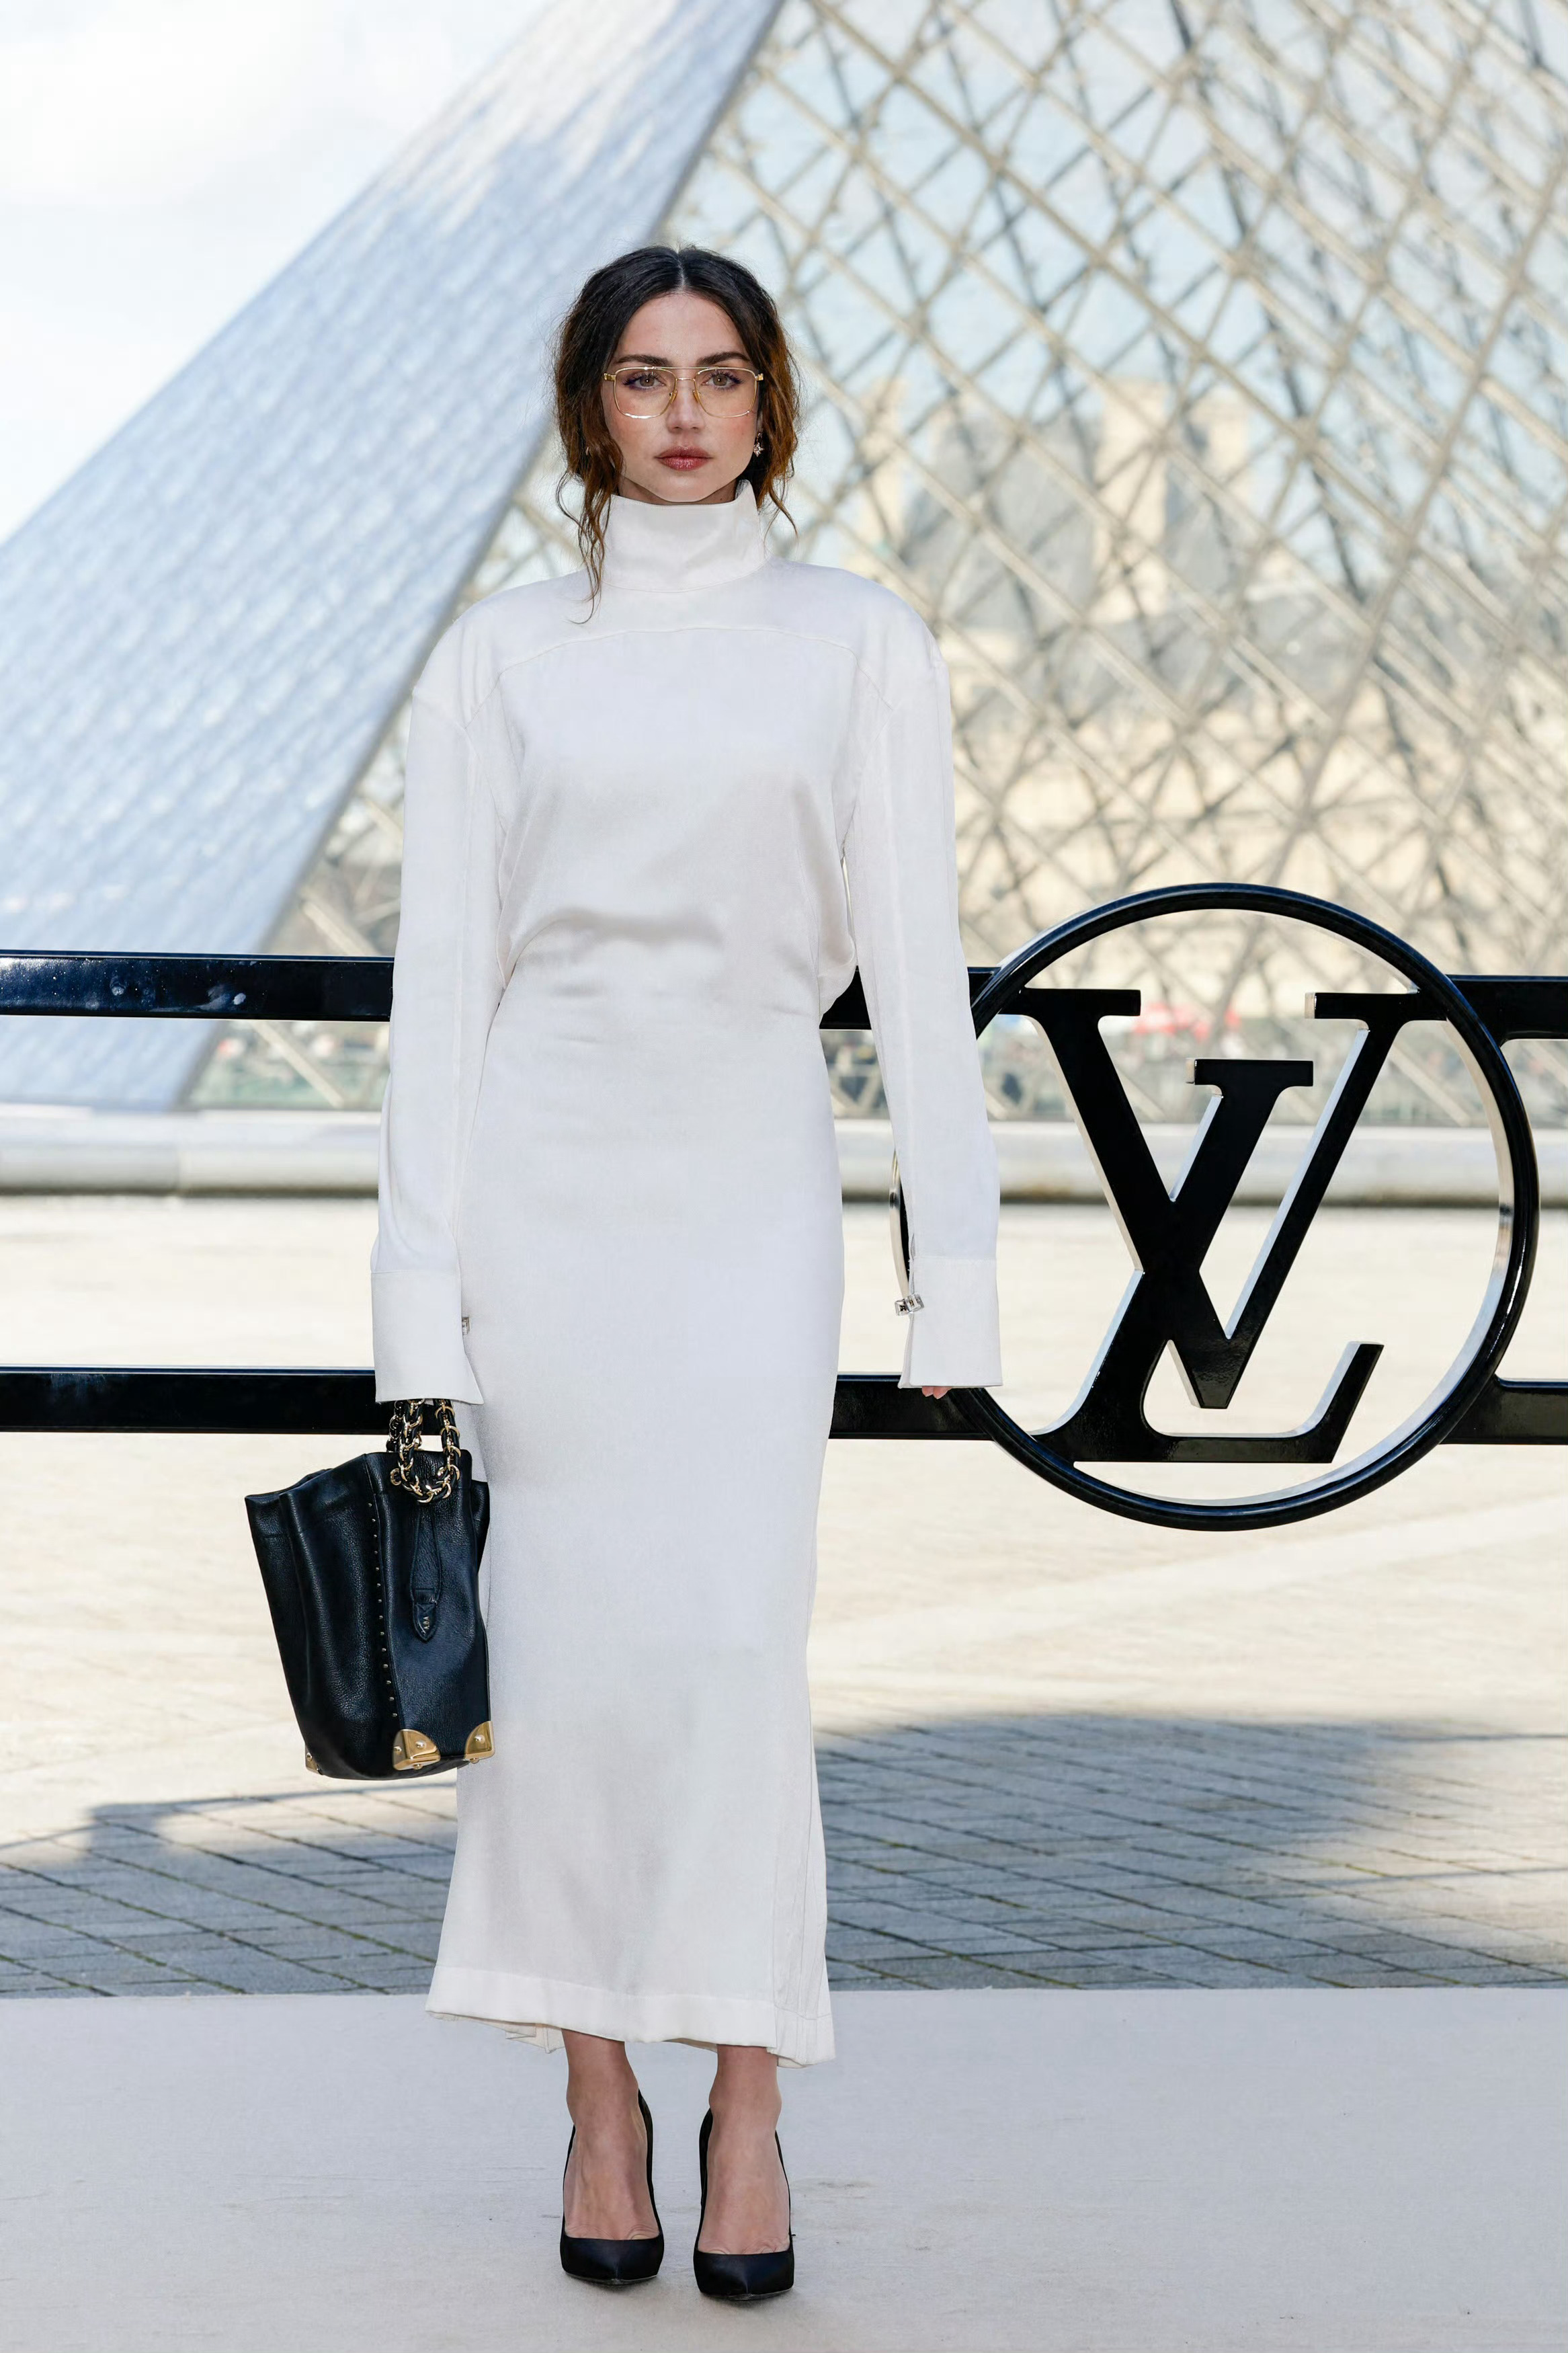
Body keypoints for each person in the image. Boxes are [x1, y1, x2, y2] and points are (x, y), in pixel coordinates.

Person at [370, 243, 1001, 2301]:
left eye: (721, 376)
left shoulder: (857, 641)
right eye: (644, 378)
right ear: (590, 408)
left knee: (736, 1654)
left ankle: (746, 2094)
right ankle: (596, 2095)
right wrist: (416, 1307)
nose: (684, 414)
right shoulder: (497, 659)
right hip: (543, 1195)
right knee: (553, 1671)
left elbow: (919, 975)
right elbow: (440, 1003)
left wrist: (956, 1274)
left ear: (769, 401)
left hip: (747, 1187)